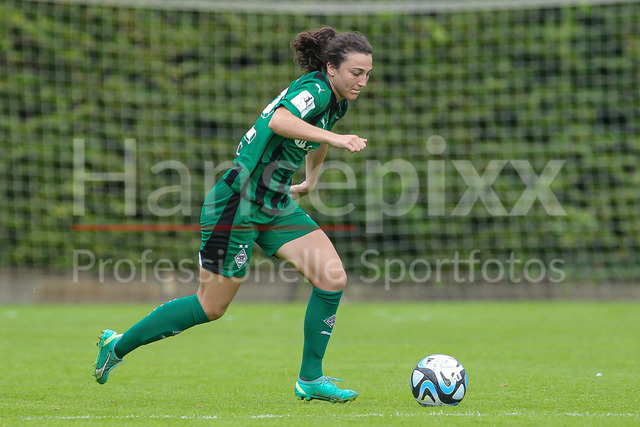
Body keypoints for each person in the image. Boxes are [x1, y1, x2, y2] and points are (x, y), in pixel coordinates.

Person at [93, 26, 373, 403]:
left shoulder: (336, 102)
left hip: (273, 202)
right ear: (331, 68)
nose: (362, 81)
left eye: (368, 74)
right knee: (210, 307)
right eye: (356, 72)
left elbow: (315, 135)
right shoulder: (316, 89)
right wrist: (337, 139)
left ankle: (310, 379)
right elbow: (281, 121)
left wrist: (310, 181)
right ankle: (117, 345)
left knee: (332, 277)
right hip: (237, 201)